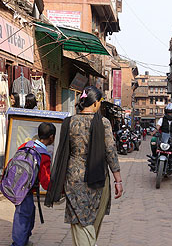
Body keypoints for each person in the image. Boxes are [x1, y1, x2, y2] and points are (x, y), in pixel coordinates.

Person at [58, 86, 122, 246]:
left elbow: (63, 151)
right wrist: (118, 180)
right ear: (95, 103)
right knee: (92, 218)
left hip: (73, 178)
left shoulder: (69, 122)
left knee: (80, 219)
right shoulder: (103, 122)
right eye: (100, 102)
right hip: (98, 177)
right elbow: (110, 152)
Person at [11, 122, 56, 246]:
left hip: (16, 185)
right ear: (51, 137)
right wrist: (58, 190)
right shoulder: (43, 155)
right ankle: (18, 243)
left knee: (27, 213)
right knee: (24, 216)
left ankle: (23, 240)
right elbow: (45, 181)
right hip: (26, 189)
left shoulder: (26, 145)